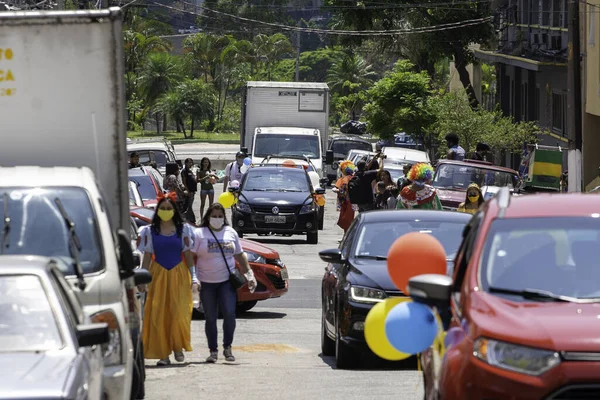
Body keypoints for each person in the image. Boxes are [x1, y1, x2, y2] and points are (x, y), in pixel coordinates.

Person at [137, 192, 197, 366]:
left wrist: (194, 277)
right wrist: (142, 278)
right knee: (158, 314)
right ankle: (163, 354)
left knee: (179, 313)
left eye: (168, 208)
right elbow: (147, 256)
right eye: (162, 208)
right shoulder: (149, 231)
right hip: (157, 275)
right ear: (158, 210)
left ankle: (178, 347)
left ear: (174, 210)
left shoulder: (183, 230)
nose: (165, 211)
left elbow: (188, 254)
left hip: (179, 274)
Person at [193, 203, 257, 363]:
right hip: (206, 283)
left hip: (226, 282)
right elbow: (191, 257)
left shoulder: (231, 233)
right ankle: (213, 351)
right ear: (208, 217)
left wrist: (250, 274)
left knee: (229, 314)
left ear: (224, 217)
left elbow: (240, 254)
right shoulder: (199, 234)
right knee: (211, 317)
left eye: (220, 216)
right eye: (213, 216)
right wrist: (194, 279)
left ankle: (227, 347)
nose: (217, 219)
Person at [332, 160, 356, 234]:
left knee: (345, 219)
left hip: (346, 202)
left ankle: (347, 234)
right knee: (348, 219)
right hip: (350, 202)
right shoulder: (354, 178)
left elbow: (337, 188)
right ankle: (347, 233)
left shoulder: (343, 179)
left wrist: (338, 190)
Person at [181, 158, 198, 224]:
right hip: (189, 191)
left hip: (193, 191)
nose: (190, 164)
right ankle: (191, 220)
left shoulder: (190, 171)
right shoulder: (184, 171)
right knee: (188, 206)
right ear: (185, 163)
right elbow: (184, 182)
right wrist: (187, 191)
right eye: (189, 162)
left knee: (189, 206)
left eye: (191, 162)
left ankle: (189, 219)